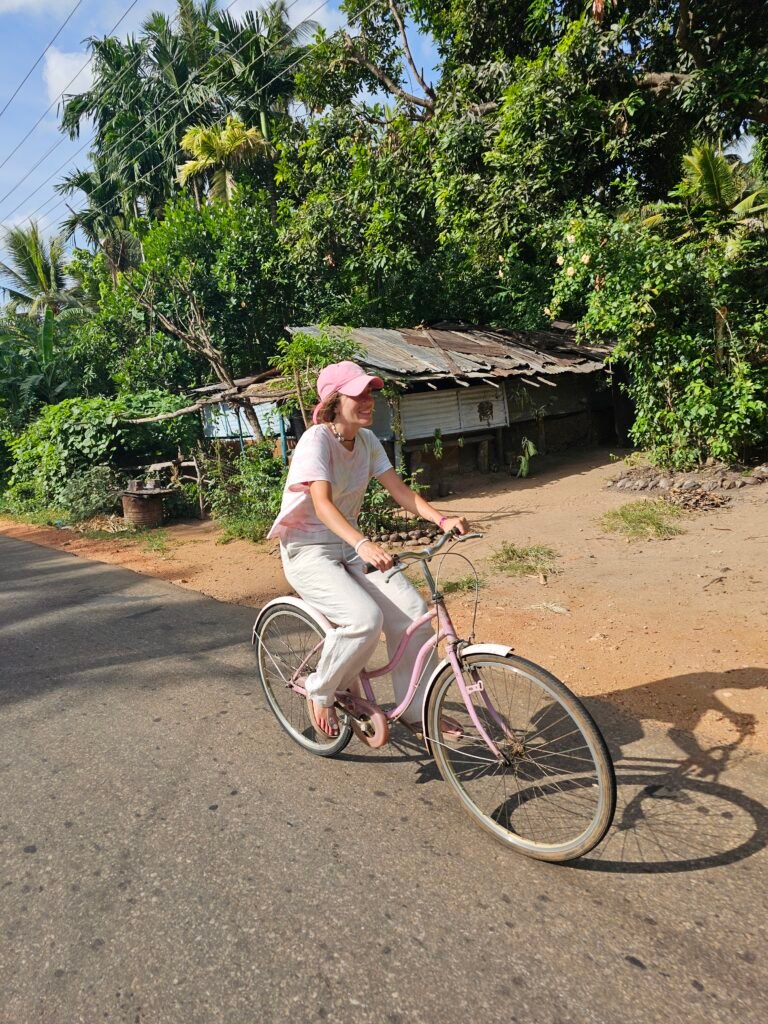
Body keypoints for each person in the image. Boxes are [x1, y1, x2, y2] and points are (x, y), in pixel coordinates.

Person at [268, 361, 469, 737]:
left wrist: (442, 520)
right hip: (308, 550)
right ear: (333, 401)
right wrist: (362, 542)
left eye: (370, 393)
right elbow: (323, 504)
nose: (369, 400)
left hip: (347, 545)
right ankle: (321, 687)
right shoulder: (317, 440)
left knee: (413, 615)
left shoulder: (367, 441)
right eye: (358, 394)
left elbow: (400, 491)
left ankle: (416, 711)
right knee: (364, 620)